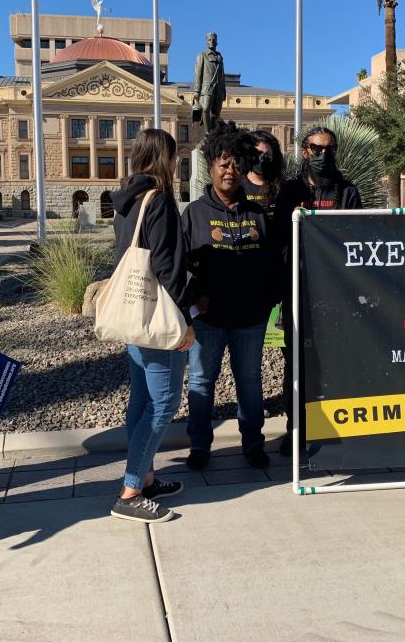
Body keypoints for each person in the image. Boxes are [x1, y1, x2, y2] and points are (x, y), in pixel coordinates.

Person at [181, 122, 282, 471]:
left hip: (250, 318)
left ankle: (253, 443)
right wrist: (195, 298)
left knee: (250, 383)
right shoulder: (194, 214)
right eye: (224, 164)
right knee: (201, 383)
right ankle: (199, 446)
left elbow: (272, 262)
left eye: (237, 164)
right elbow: (182, 266)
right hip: (208, 320)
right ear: (210, 166)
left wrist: (267, 299)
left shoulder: (257, 214)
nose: (231, 171)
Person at [110, 128, 195, 523]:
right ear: (165, 159)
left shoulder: (127, 201)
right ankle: (129, 492)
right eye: (174, 157)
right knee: (163, 404)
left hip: (134, 317)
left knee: (142, 402)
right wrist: (183, 320)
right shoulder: (157, 200)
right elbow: (166, 266)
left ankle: (144, 478)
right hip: (158, 317)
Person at [274, 126, 363, 457]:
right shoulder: (290, 190)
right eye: (315, 148)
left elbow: (358, 240)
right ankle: (295, 430)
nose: (321, 155)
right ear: (305, 151)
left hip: (335, 295)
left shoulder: (347, 191)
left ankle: (334, 431)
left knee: (334, 362)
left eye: (328, 149)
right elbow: (280, 240)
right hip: (297, 293)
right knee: (295, 365)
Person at [241, 129, 285, 221]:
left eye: (267, 155)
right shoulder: (237, 186)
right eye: (257, 154)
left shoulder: (282, 186)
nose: (262, 159)